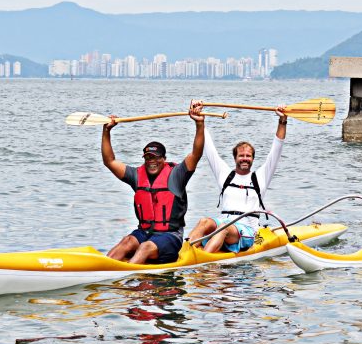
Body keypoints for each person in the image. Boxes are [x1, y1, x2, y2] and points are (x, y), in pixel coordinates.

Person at [101, 100, 205, 264]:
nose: (151, 161)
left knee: (145, 247)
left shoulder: (176, 175)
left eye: (155, 158)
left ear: (164, 159)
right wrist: (106, 131)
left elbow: (196, 154)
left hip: (171, 237)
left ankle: (127, 276)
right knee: (126, 242)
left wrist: (199, 124)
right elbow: (109, 161)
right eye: (148, 158)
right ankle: (102, 269)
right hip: (145, 232)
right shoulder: (136, 175)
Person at [187, 105, 287, 253]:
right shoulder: (225, 174)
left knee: (223, 228)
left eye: (248, 156)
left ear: (253, 159)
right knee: (204, 222)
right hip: (223, 223)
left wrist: (282, 121)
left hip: (246, 231)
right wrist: (200, 122)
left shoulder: (260, 177)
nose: (244, 159)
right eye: (241, 156)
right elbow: (209, 148)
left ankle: (203, 262)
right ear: (235, 158)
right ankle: (185, 255)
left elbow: (276, 148)